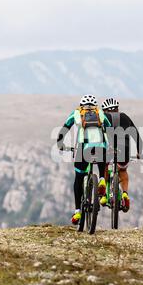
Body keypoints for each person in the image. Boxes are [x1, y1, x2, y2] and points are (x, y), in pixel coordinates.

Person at [57, 94, 111, 224]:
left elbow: (65, 128)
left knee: (79, 178)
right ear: (95, 106)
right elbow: (111, 129)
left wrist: (60, 144)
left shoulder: (76, 113)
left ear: (81, 106)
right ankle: (102, 180)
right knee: (101, 156)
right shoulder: (101, 113)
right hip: (100, 147)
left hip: (83, 148)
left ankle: (77, 213)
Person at [101, 98, 143, 212]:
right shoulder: (125, 117)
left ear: (105, 110)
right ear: (117, 109)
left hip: (109, 149)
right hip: (124, 149)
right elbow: (137, 135)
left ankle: (104, 195)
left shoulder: (103, 118)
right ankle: (125, 194)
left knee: (104, 166)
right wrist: (139, 152)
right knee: (123, 171)